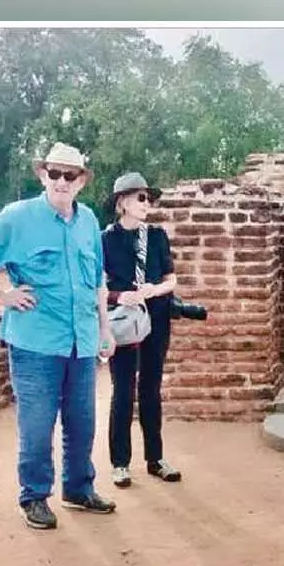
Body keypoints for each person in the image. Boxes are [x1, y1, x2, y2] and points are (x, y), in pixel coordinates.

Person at [0, 142, 117, 530]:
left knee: (82, 421)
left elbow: (97, 280)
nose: (61, 181)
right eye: (54, 173)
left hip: (82, 339)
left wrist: (105, 327)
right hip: (35, 342)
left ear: (82, 181)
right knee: (38, 424)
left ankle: (78, 488)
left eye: (69, 175)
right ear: (42, 175)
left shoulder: (88, 219)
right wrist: (0, 296)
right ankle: (34, 496)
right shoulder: (19, 217)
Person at [100, 172, 182, 488]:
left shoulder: (158, 236)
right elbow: (95, 287)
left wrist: (152, 290)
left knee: (151, 388)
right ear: (122, 203)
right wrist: (120, 296)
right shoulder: (104, 240)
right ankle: (120, 463)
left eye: (150, 198)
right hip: (122, 322)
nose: (148, 203)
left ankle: (156, 458)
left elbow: (172, 280)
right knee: (123, 390)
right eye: (141, 197)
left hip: (156, 318)